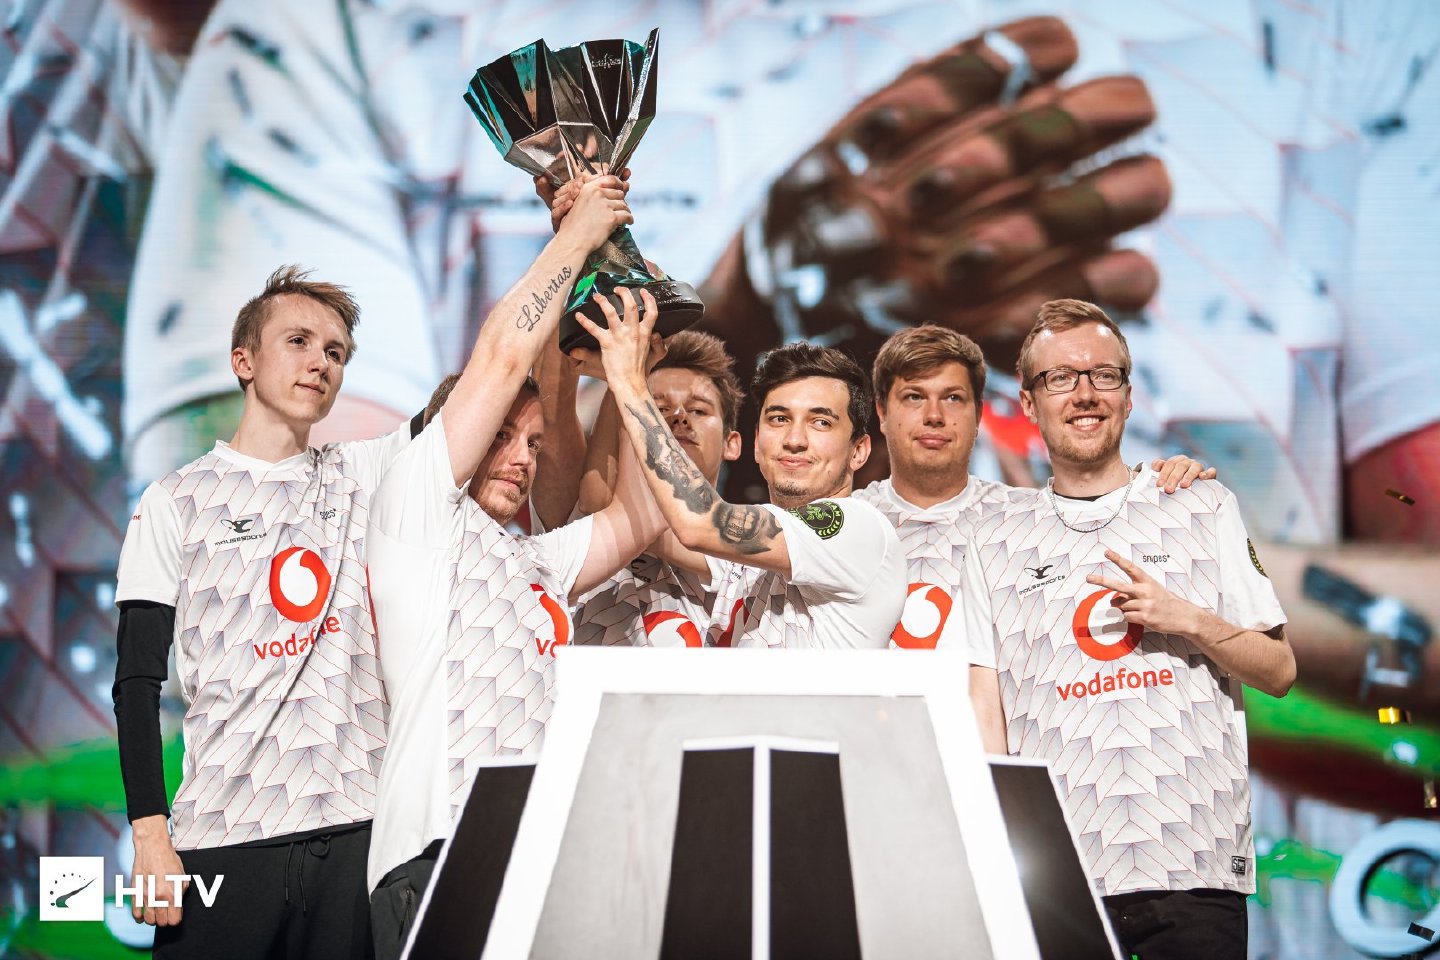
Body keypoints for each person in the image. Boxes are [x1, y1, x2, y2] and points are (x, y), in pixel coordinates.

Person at [363, 182, 669, 960]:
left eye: (533, 444)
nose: (522, 457)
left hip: (533, 851)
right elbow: (503, 357)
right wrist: (574, 237)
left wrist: (632, 383)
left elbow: (642, 518)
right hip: (437, 849)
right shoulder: (417, 511)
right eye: (502, 434)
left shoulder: (533, 559)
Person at [960, 299, 1295, 960]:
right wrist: (998, 845)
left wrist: (1189, 619)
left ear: (1129, 395)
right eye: (1060, 378)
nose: (1084, 393)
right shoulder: (993, 537)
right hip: (1058, 875)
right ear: (1028, 403)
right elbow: (984, 707)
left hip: (1192, 863)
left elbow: (1279, 671)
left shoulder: (1199, 504)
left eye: (1103, 375)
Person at [112, 265, 418, 959]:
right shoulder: (175, 500)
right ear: (243, 361)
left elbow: (483, 386)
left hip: (355, 835)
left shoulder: (361, 473)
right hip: (222, 837)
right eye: (299, 341)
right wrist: (150, 834)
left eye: (335, 352)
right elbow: (136, 682)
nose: (321, 362)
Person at [855, 323, 1214, 750]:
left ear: (979, 414)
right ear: (881, 412)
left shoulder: (1033, 519)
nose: (934, 415)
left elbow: (1112, 507)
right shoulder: (846, 523)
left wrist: (1166, 484)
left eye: (953, 398)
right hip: (871, 753)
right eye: (914, 397)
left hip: (1001, 761)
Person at [583, 308, 906, 650]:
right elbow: (605, 508)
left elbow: (698, 525)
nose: (795, 439)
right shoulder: (745, 561)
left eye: (821, 422)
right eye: (779, 419)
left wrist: (631, 381)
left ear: (858, 451)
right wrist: (614, 381)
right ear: (756, 443)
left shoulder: (856, 528)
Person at [571, 329, 745, 648]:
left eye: (698, 410)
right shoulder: (580, 530)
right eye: (658, 410)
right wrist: (622, 378)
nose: (679, 418)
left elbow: (602, 501)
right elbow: (599, 499)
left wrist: (624, 376)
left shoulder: (749, 541)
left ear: (731, 443)